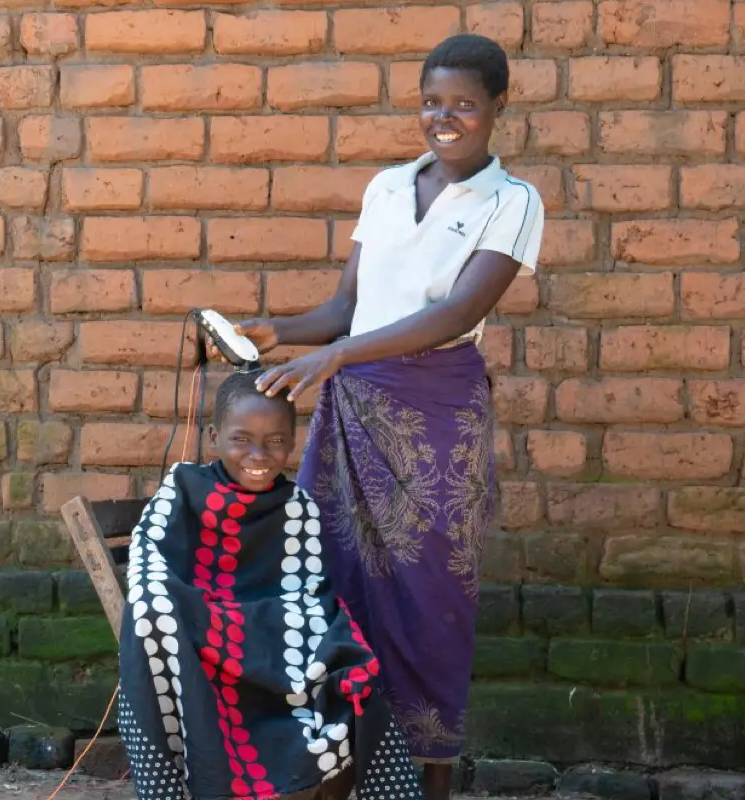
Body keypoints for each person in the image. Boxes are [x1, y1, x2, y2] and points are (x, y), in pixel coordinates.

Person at [214, 34, 545, 800]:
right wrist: (281, 332)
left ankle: (430, 783)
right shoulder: (389, 188)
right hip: (356, 409)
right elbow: (344, 309)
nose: (446, 117)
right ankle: (345, 774)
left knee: (433, 595)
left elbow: (457, 314)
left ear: (499, 106)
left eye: (465, 103)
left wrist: (337, 356)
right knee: (341, 580)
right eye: (433, 101)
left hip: (437, 418)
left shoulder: (512, 202)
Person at [116, 370, 423, 800]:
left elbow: (308, 600)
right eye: (242, 438)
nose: (258, 454)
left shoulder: (298, 509)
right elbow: (149, 569)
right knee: (151, 608)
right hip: (199, 657)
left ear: (293, 442)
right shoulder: (183, 489)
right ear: (213, 436)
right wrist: (191, 618)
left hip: (277, 659)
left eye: (276, 440)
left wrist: (335, 649)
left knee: (358, 690)